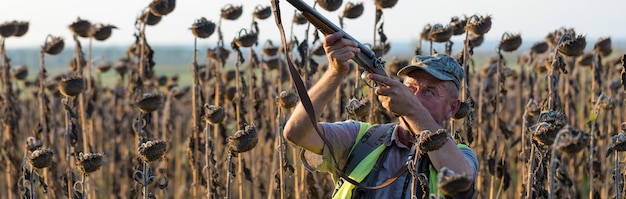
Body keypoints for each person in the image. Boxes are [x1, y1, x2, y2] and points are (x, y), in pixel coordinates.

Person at [283, 32, 478, 198]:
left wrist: (412, 110)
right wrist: (335, 72)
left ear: (452, 109)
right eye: (410, 87)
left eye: (429, 91)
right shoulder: (362, 139)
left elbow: (462, 184)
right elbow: (297, 132)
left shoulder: (461, 155)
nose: (414, 97)